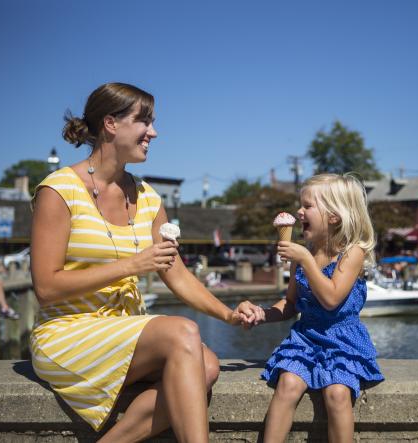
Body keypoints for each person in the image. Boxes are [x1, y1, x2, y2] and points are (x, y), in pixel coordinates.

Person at [30, 83, 243, 442]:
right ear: (111, 124)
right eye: (144, 121)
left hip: (126, 331)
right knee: (184, 332)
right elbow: (47, 288)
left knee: (206, 366)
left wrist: (230, 315)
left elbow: (174, 272)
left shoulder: (147, 197)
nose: (154, 132)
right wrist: (132, 265)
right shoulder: (59, 190)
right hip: (66, 334)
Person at [237, 173, 384, 442]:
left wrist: (304, 258)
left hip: (343, 340)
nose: (299, 211)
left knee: (337, 394)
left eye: (307, 206)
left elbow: (331, 299)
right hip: (305, 337)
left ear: (334, 216)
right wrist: (262, 313)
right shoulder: (304, 253)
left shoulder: (352, 253)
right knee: (287, 384)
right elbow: (291, 304)